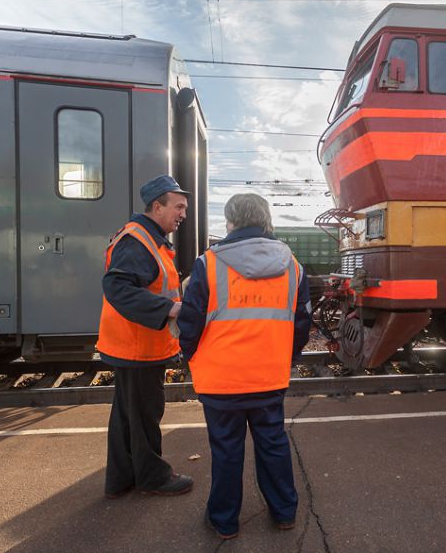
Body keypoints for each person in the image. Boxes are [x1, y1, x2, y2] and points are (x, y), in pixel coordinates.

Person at [178, 193, 311, 540]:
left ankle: (224, 521)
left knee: (226, 450)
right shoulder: (293, 265)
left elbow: (189, 323)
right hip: (269, 376)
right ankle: (284, 513)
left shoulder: (208, 263)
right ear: (266, 220)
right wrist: (285, 357)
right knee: (273, 444)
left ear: (231, 222)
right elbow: (301, 326)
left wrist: (189, 356)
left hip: (220, 380)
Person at [97, 174, 195, 499]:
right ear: (157, 206)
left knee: (129, 416)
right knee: (144, 415)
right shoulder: (138, 240)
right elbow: (117, 287)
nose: (183, 214)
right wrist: (170, 310)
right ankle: (153, 478)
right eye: (178, 207)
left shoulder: (147, 238)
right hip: (138, 347)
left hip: (134, 344)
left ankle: (121, 479)